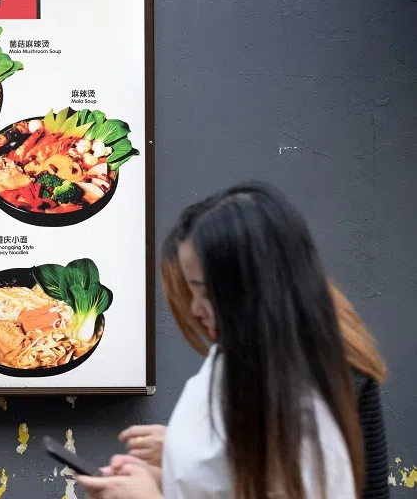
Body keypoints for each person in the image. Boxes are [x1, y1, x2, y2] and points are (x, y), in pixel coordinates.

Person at [77, 182, 373, 499]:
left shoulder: (302, 404)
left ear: (258, 287)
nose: (195, 309)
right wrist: (171, 471)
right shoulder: (232, 362)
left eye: (206, 293)